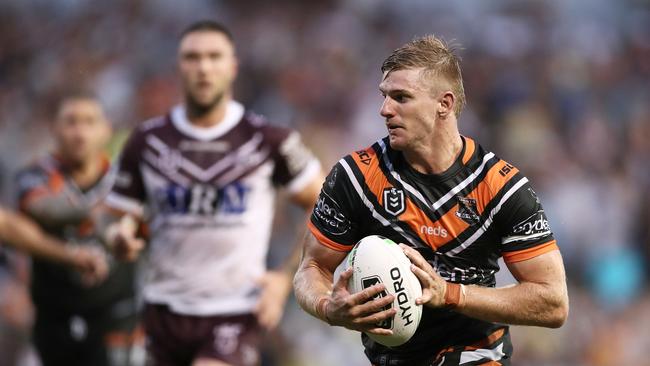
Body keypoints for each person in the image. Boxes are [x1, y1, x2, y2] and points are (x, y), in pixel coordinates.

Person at [293, 35, 569, 366]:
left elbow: (553, 302)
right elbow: (311, 267)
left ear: (444, 104)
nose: (384, 109)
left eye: (401, 98)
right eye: (384, 96)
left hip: (477, 355)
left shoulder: (500, 188)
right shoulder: (356, 177)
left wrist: (450, 294)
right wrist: (328, 306)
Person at [101, 20, 323, 366]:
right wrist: (118, 236)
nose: (204, 67)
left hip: (235, 311)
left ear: (232, 67)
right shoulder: (146, 142)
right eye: (193, 57)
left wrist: (286, 277)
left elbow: (325, 205)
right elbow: (116, 218)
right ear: (179, 66)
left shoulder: (267, 139)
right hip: (160, 310)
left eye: (214, 56)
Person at [15, 93, 143, 366]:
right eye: (71, 122)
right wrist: (92, 215)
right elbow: (41, 208)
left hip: (115, 318)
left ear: (107, 129)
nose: (80, 132)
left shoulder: (126, 179)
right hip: (54, 319)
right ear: (54, 128)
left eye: (89, 122)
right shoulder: (35, 175)